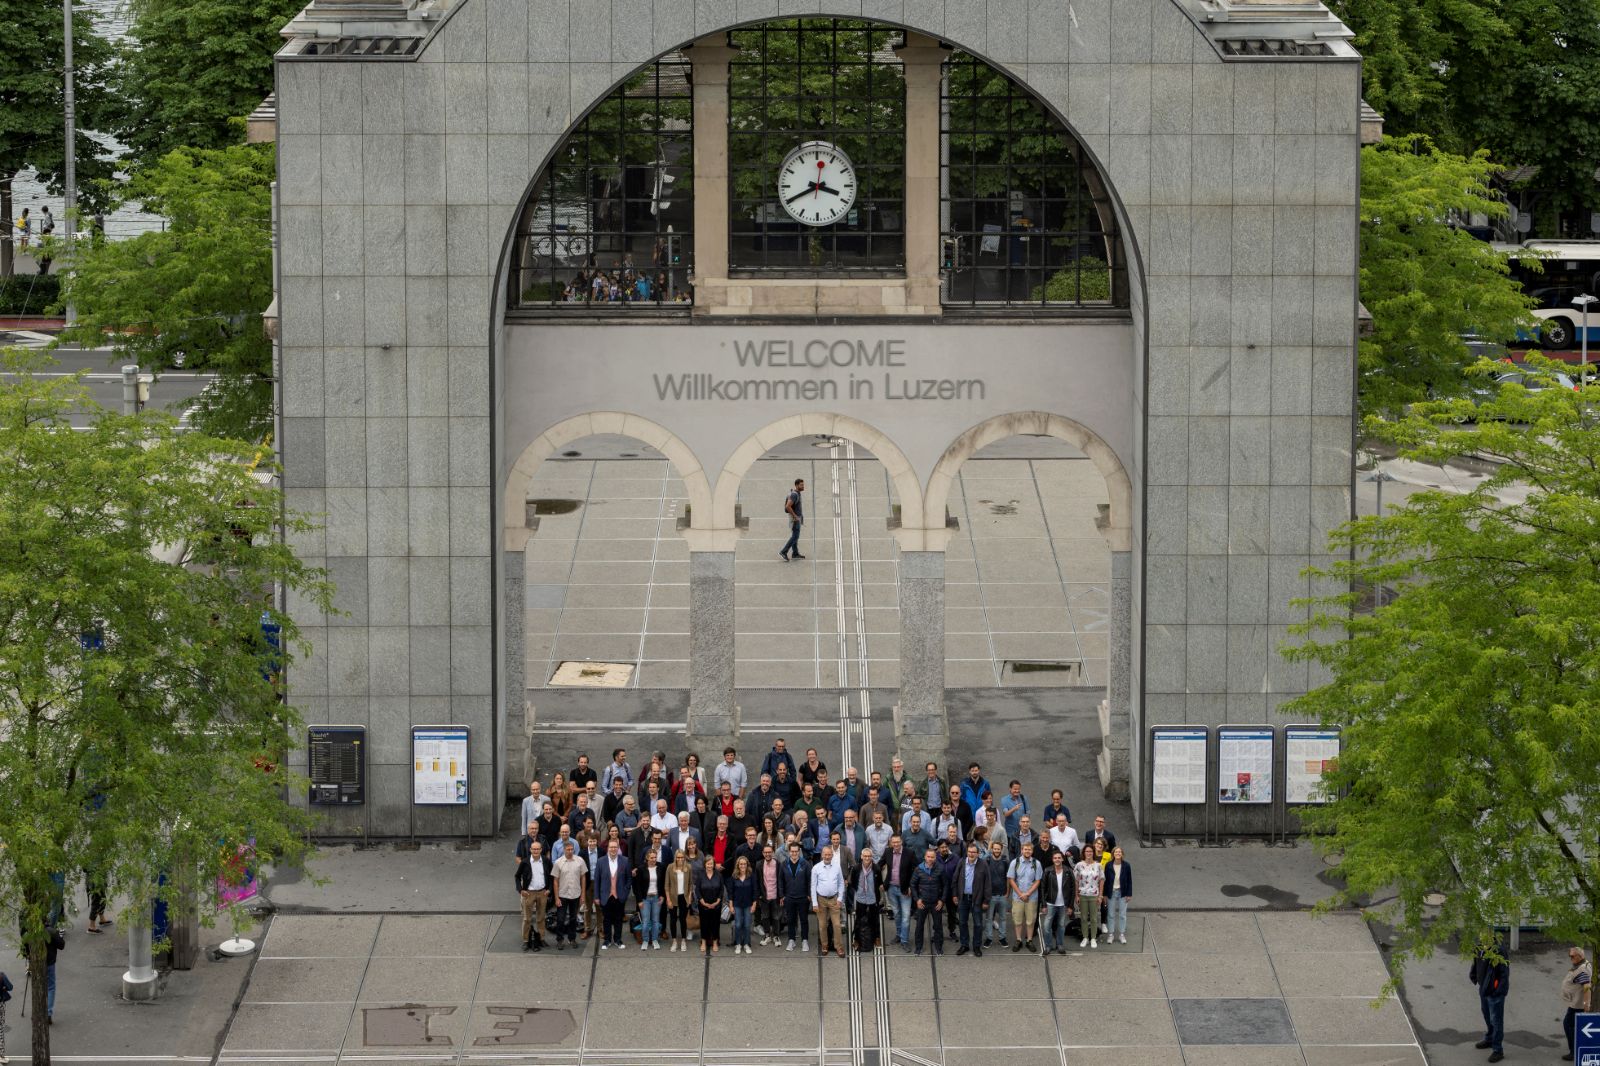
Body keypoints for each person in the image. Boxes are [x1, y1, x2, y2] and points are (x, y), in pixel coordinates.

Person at [1472, 944, 1510, 1062]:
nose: (1482, 934)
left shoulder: (1499, 950)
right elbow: (1476, 962)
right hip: (1484, 989)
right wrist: (1474, 975)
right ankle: (1489, 1039)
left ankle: (1498, 1050)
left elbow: (1504, 972)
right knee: (1487, 1016)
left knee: (1496, 1021)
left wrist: (1498, 990)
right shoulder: (1479, 947)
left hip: (1494, 993)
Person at [954, 842, 991, 957]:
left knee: (978, 924)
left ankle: (976, 946)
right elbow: (955, 879)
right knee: (962, 922)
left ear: (978, 853)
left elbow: (987, 884)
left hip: (977, 900)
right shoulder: (961, 862)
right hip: (963, 898)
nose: (971, 854)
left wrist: (986, 901)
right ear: (967, 852)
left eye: (973, 852)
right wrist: (955, 895)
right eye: (969, 852)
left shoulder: (983, 864)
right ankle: (964, 945)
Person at [515, 837, 552, 952]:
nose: (536, 851)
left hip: (542, 893)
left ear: (541, 850)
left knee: (541, 918)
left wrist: (549, 889)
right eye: (534, 849)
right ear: (530, 850)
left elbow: (551, 876)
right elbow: (517, 876)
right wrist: (521, 890)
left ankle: (541, 938)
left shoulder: (546, 861)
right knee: (527, 919)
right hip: (529, 894)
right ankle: (526, 941)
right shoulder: (525, 862)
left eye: (538, 849)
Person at [594, 839, 631, 950]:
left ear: (618, 848)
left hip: (619, 896)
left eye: (615, 847)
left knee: (618, 919)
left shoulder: (625, 861)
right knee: (607, 919)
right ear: (607, 848)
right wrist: (596, 896)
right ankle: (607, 940)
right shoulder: (601, 861)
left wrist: (625, 892)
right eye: (611, 847)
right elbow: (597, 880)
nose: (613, 849)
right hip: (605, 895)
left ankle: (618, 940)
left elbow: (629, 879)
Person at [909, 846, 946, 956]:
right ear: (925, 857)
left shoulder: (940, 868)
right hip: (922, 903)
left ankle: (939, 948)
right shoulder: (918, 869)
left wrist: (942, 900)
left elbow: (946, 886)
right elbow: (912, 884)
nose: (930, 859)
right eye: (928, 857)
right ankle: (918, 948)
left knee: (938, 926)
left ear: (935, 858)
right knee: (919, 926)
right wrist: (917, 899)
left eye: (932, 857)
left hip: (936, 903)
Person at [811, 844, 846, 957]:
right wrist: (814, 903)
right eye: (825, 854)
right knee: (822, 925)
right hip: (821, 900)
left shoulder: (837, 867)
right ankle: (825, 945)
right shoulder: (816, 868)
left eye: (829, 854)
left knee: (836, 925)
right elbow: (813, 886)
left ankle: (838, 947)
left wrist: (840, 898)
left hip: (834, 900)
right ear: (822, 855)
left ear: (832, 855)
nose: (827, 856)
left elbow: (841, 883)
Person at [1008, 841, 1043, 952]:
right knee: (1017, 920)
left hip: (1031, 897)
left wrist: (1027, 894)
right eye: (1025, 849)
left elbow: (1038, 881)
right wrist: (1020, 894)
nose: (1027, 851)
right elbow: (1011, 880)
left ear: (1032, 851)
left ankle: (1029, 940)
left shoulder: (1036, 863)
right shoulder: (1015, 862)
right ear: (1022, 850)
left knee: (1030, 920)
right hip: (1017, 897)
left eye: (1029, 849)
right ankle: (1018, 940)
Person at [883, 833, 914, 949]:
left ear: (901, 842)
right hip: (891, 888)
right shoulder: (887, 852)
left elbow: (915, 869)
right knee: (896, 914)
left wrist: (911, 886)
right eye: (893, 842)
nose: (895, 844)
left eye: (897, 842)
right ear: (891, 843)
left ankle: (904, 940)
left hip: (905, 889)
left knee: (906, 916)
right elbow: (880, 864)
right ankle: (899, 934)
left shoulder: (909, 853)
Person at [1040, 850, 1075, 954]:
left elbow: (1073, 889)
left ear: (1062, 859)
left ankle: (1060, 944)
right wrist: (1043, 904)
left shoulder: (1068, 871)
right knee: (1047, 926)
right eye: (1055, 858)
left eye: (1059, 858)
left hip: (1063, 904)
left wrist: (1070, 906)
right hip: (1050, 903)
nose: (1057, 860)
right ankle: (1048, 945)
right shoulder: (1047, 870)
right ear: (1052, 859)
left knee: (1061, 925)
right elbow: (1042, 888)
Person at [779, 841, 812, 951]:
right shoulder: (784, 864)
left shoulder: (805, 864)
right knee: (791, 920)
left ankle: (805, 941)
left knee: (804, 920)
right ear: (789, 852)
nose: (794, 853)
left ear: (799, 852)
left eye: (796, 851)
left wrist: (809, 895)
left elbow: (810, 881)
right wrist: (782, 895)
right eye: (792, 851)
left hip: (803, 897)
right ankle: (791, 940)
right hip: (789, 897)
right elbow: (780, 881)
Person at [1561, 946, 1591, 1060]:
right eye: (1570, 956)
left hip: (1577, 1004)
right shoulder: (1584, 964)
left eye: (1573, 956)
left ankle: (1573, 1052)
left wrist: (1586, 1004)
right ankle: (1575, 1049)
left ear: (1580, 956)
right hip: (1576, 1002)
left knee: (1568, 1024)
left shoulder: (1582, 970)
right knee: (1571, 1025)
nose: (1571, 958)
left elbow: (1587, 986)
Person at [633, 847, 665, 950]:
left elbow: (663, 883)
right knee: (646, 921)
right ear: (647, 858)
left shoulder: (661, 867)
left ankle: (655, 939)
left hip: (656, 898)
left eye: (655, 857)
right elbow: (637, 886)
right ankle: (645, 940)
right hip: (645, 899)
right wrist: (639, 901)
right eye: (651, 857)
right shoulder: (641, 869)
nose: (653, 859)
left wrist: (662, 896)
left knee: (656, 920)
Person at [1073, 845, 1104, 948]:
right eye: (1087, 851)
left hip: (1094, 895)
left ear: (1093, 853)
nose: (1089, 853)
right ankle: (1085, 937)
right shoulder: (1078, 865)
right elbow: (1076, 881)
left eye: (1091, 851)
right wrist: (1076, 895)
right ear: (1084, 853)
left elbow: (1101, 881)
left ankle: (1093, 938)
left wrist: (1100, 896)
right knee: (1083, 917)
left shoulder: (1098, 865)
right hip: (1082, 895)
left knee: (1094, 918)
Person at [695, 856, 725, 956]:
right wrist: (702, 902)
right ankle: (703, 942)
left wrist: (717, 901)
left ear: (714, 864)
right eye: (708, 864)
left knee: (715, 923)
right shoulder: (700, 875)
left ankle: (715, 942)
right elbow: (697, 890)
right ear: (705, 864)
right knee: (704, 923)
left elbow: (721, 890)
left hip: (716, 904)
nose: (709, 865)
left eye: (711, 864)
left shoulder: (719, 875)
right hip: (703, 904)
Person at [666, 849, 694, 951]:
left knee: (683, 920)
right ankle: (674, 941)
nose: (680, 859)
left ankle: (683, 940)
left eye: (682, 857)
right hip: (673, 897)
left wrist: (690, 896)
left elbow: (691, 884)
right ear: (675, 858)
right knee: (673, 919)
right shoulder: (670, 867)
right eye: (678, 857)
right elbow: (667, 885)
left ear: (684, 858)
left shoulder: (688, 867)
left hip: (684, 897)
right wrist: (668, 899)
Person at [854, 846, 881, 952]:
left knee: (874, 918)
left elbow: (879, 882)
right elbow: (853, 882)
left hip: (872, 898)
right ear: (861, 856)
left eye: (869, 856)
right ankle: (856, 939)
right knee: (859, 919)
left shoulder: (876, 868)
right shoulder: (856, 868)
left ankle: (876, 938)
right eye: (865, 856)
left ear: (872, 857)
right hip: (860, 898)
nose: (867, 858)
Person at [728, 855, 757, 954]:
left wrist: (754, 904)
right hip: (737, 904)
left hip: (748, 904)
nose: (743, 865)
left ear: (747, 864)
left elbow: (755, 891)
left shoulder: (751, 875)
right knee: (738, 924)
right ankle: (738, 944)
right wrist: (731, 905)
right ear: (738, 865)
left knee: (747, 925)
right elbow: (730, 892)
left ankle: (747, 944)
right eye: (741, 864)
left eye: (744, 864)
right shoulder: (734, 876)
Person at [756, 842, 784, 945]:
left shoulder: (778, 864)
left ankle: (776, 936)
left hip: (775, 895)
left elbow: (780, 880)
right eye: (765, 852)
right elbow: (757, 881)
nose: (767, 854)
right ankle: (767, 935)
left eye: (769, 852)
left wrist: (781, 895)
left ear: (772, 852)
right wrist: (758, 895)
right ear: (763, 853)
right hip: (764, 896)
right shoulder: (759, 864)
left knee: (776, 917)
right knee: (765, 916)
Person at [985, 839, 1010, 948]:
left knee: (1003, 918)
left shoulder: (1005, 861)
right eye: (994, 848)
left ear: (1001, 850)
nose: (996, 850)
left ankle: (1002, 938)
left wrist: (1008, 892)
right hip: (990, 895)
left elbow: (1009, 878)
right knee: (989, 918)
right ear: (992, 849)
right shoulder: (987, 860)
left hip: (1002, 895)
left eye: (998, 849)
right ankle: (989, 938)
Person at [1105, 846, 1132, 944]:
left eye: (1120, 852)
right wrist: (1104, 894)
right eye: (1116, 852)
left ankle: (1121, 934)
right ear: (1113, 854)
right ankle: (1111, 934)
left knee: (1122, 915)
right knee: (1111, 914)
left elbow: (1129, 880)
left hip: (1122, 892)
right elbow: (1106, 881)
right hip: (1111, 892)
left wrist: (1129, 894)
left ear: (1122, 854)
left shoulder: (1126, 865)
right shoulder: (1108, 865)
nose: (1118, 853)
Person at [779, 477, 806, 560]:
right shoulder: (794, 494)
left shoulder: (797, 493)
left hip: (797, 518)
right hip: (795, 519)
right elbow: (788, 506)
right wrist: (795, 516)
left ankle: (795, 553)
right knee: (795, 536)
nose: (803, 486)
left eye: (803, 485)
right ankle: (783, 551)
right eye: (801, 485)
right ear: (797, 485)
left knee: (795, 536)